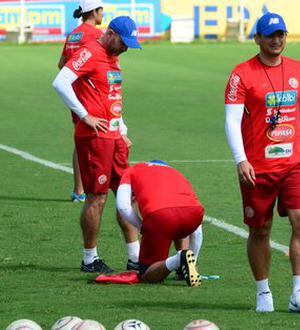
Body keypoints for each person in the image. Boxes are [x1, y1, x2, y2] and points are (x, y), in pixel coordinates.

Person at [224, 13, 300, 314]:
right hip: (258, 166)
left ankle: (299, 293)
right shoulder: (241, 74)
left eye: (281, 34)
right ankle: (263, 291)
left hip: (295, 163)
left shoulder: (298, 69)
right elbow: (231, 120)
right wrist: (240, 159)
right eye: (270, 35)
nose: (276, 40)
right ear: (257, 39)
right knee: (260, 230)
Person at [52, 16, 142, 274]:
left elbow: (112, 97)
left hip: (114, 138)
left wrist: (122, 130)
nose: (126, 48)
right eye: (124, 42)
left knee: (127, 195)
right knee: (97, 197)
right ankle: (89, 258)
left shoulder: (114, 58)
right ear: (110, 33)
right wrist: (84, 115)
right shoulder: (90, 52)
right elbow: (60, 82)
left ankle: (135, 257)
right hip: (94, 138)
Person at [57, 0, 131, 203]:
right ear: (95, 11)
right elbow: (103, 65)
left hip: (76, 95)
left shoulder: (74, 34)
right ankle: (93, 188)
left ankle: (78, 189)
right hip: (93, 99)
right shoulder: (96, 36)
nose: (102, 15)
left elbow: (62, 64)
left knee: (80, 140)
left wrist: (79, 85)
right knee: (93, 141)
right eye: (101, 11)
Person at [115, 161, 204, 285]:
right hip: (195, 214)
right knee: (178, 222)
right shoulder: (175, 172)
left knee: (146, 275)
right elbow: (197, 231)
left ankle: (178, 259)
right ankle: (185, 267)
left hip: (160, 216)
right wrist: (193, 262)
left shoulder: (131, 171)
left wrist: (142, 226)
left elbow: (123, 206)